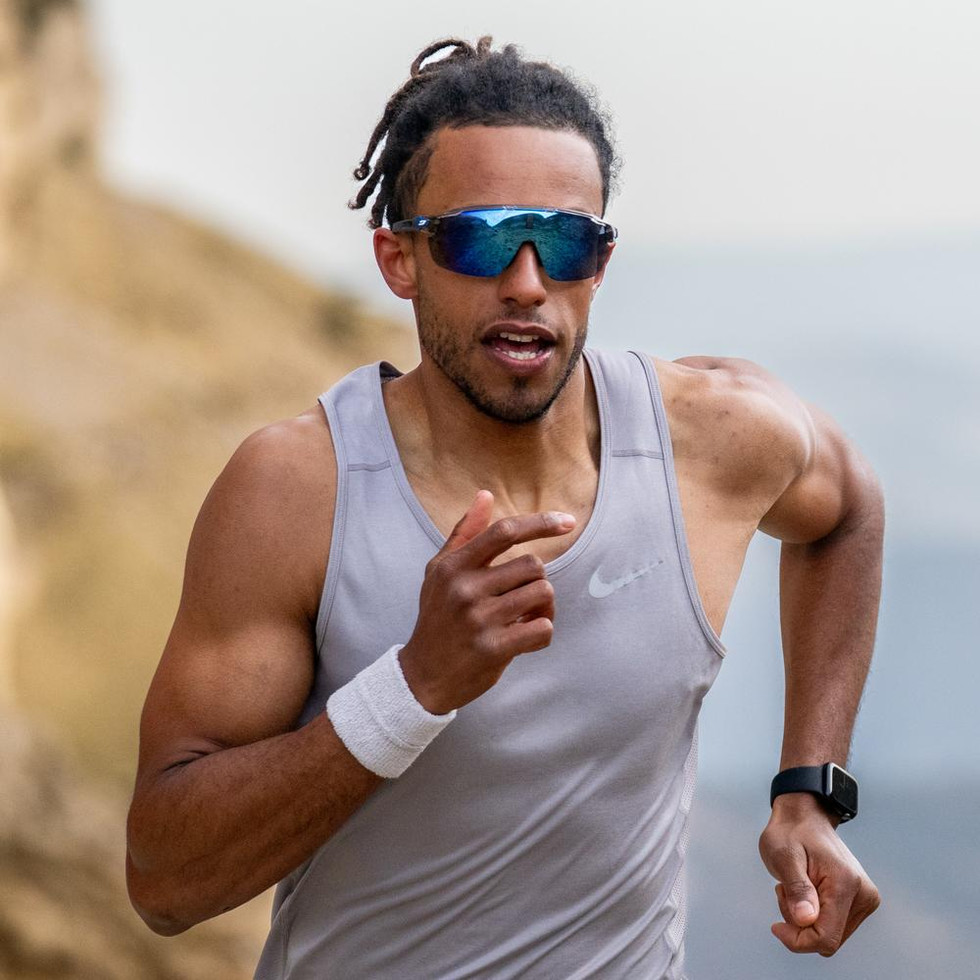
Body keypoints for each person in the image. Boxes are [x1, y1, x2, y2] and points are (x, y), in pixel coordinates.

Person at [126, 37, 883, 979]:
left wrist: (811, 790)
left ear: (600, 263)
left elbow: (849, 509)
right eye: (479, 239)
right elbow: (165, 881)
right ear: (400, 259)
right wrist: (413, 687)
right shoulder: (300, 489)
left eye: (565, 243)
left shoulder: (709, 438)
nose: (527, 281)